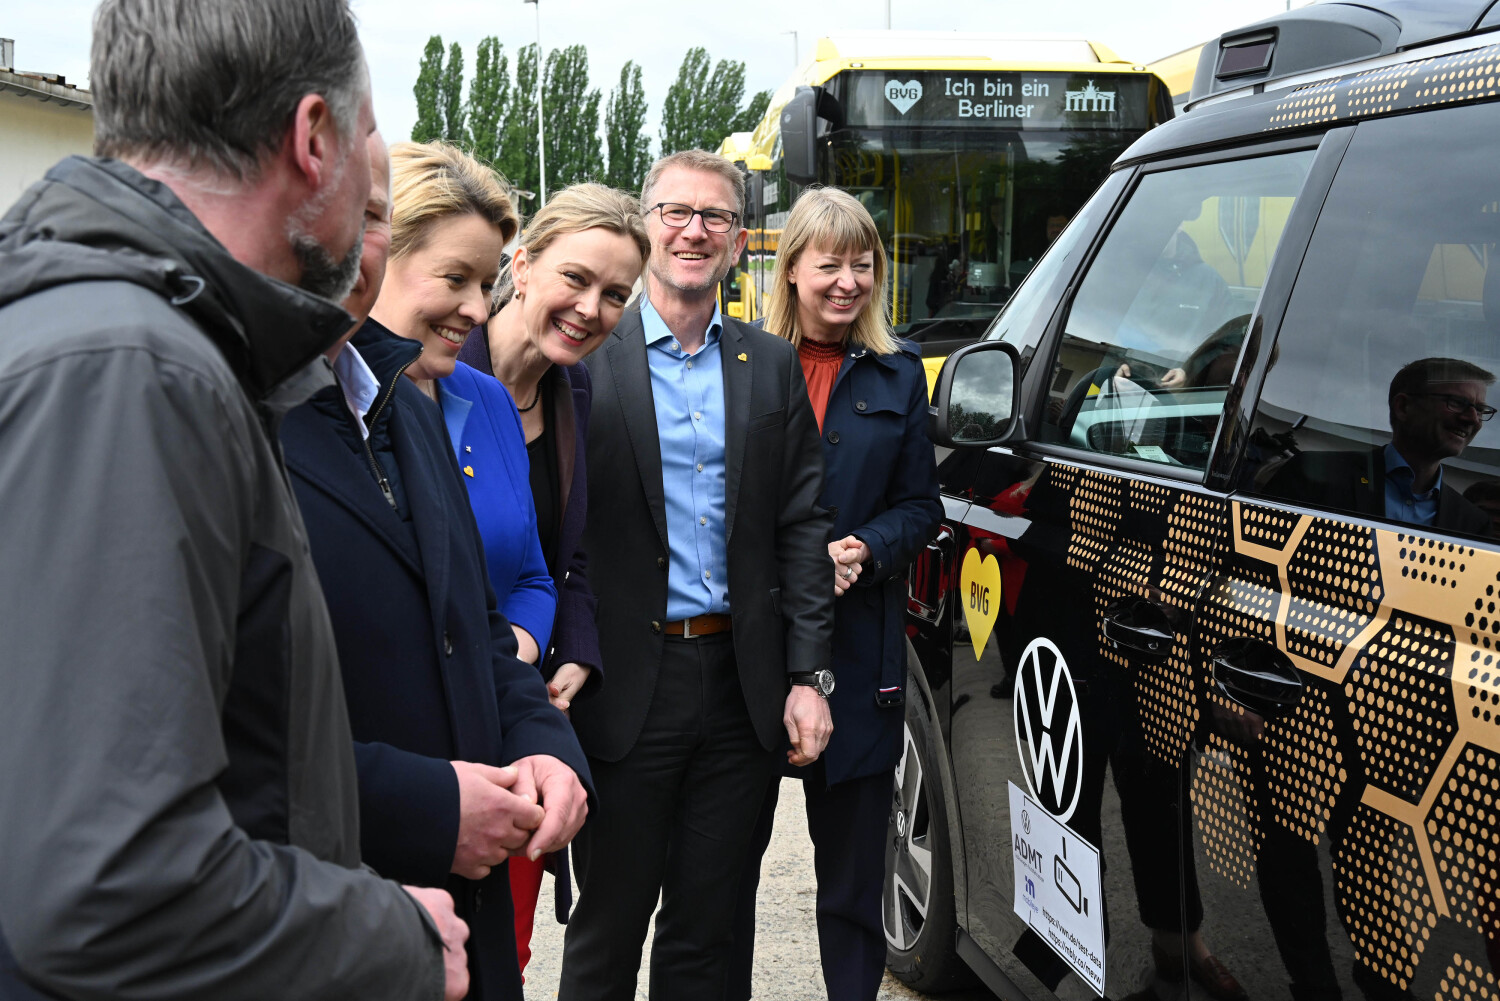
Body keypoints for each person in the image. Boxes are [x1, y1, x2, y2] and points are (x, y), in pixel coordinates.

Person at [0, 1, 471, 998]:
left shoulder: (146, 343)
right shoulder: (127, 370)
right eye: (365, 134)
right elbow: (110, 888)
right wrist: (392, 934)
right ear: (313, 139)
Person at [279, 138, 593, 1001]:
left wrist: (544, 742)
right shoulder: (247, 419)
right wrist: (431, 806)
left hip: (470, 918)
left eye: (487, 282)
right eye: (455, 277)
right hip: (337, 915)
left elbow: (477, 625)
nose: (476, 307)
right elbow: (226, 728)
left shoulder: (407, 412)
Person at [557, 149, 836, 1001]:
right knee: (609, 923)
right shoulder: (583, 362)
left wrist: (807, 675)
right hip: (625, 687)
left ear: (740, 240)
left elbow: (802, 524)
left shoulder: (770, 365)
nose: (694, 230)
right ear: (647, 225)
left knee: (708, 933)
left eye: (714, 217)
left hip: (738, 689)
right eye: (676, 212)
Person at [726, 186, 942, 1001]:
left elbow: (921, 504)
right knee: (722, 875)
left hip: (857, 653)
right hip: (744, 650)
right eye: (830, 264)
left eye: (863, 264)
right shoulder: (739, 364)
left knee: (853, 881)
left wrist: (868, 546)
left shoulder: (899, 370)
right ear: (791, 272)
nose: (848, 281)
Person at [454, 183, 651, 975]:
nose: (591, 307)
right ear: (523, 266)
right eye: (576, 278)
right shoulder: (436, 377)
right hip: (441, 715)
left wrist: (569, 649)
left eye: (614, 294)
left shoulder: (577, 392)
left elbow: (567, 557)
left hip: (523, 714)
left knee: (507, 946)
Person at [1265, 356, 1493, 534]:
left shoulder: (1472, 522)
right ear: (1403, 407)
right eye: (1457, 403)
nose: (1473, 419)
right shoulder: (1313, 475)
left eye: (1481, 410)